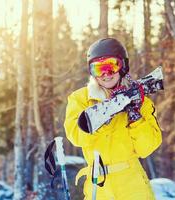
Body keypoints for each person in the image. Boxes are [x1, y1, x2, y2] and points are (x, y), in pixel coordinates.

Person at [64, 38, 162, 200]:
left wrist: (135, 116)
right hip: (98, 184)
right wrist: (104, 114)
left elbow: (146, 148)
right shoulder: (80, 99)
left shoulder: (141, 101)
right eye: (98, 68)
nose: (105, 74)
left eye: (111, 66)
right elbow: (76, 136)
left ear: (123, 65)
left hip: (132, 183)